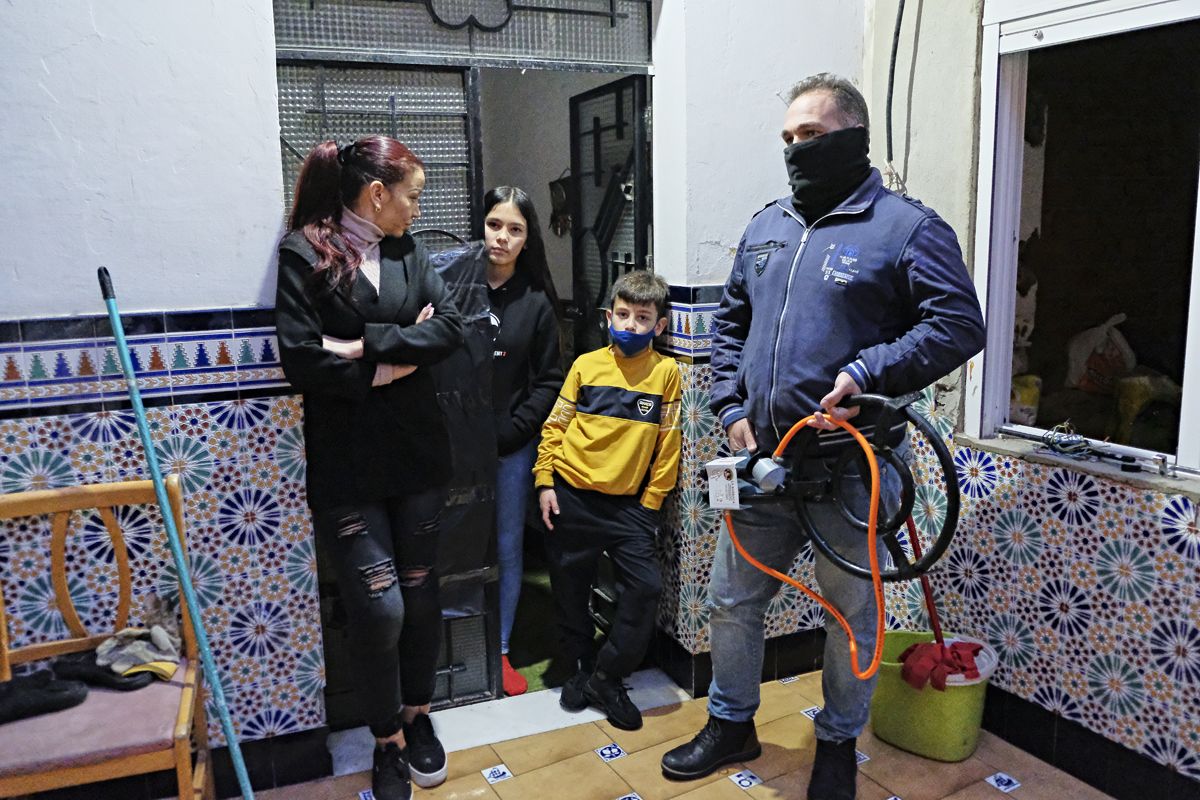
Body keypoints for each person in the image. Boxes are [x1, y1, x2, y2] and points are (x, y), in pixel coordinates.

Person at [660, 74, 985, 800]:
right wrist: (728, 402)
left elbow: (960, 324)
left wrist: (869, 370)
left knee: (850, 614)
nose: (795, 150)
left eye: (810, 135)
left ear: (853, 137)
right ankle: (730, 721)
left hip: (850, 467)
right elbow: (731, 323)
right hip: (763, 462)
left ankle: (837, 742)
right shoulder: (767, 226)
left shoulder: (905, 228)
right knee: (731, 601)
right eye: (787, 139)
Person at [275, 135, 464, 800]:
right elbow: (301, 358)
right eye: (411, 195)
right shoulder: (305, 252)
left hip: (417, 453)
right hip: (347, 461)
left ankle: (417, 718)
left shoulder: (411, 252)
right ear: (377, 194)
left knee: (418, 594)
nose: (417, 209)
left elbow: (452, 330)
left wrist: (365, 347)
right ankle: (382, 736)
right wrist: (398, 358)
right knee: (378, 608)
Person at [534, 270, 681, 731]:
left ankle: (606, 676)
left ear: (658, 325)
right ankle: (579, 666)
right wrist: (544, 483)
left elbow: (668, 443)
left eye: (642, 318)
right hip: (570, 497)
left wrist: (651, 504)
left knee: (645, 589)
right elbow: (556, 427)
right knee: (569, 588)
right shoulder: (585, 366)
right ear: (608, 316)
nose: (631, 326)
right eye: (623, 315)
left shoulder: (666, 373)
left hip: (630, 509)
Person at [482, 186, 565, 696]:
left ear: (528, 239)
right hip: (450, 447)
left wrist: (513, 433)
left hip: (510, 448)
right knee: (453, 550)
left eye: (515, 229)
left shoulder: (535, 303)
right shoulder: (452, 290)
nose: (503, 237)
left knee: (508, 547)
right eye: (495, 224)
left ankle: (503, 650)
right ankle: (460, 649)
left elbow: (548, 382)